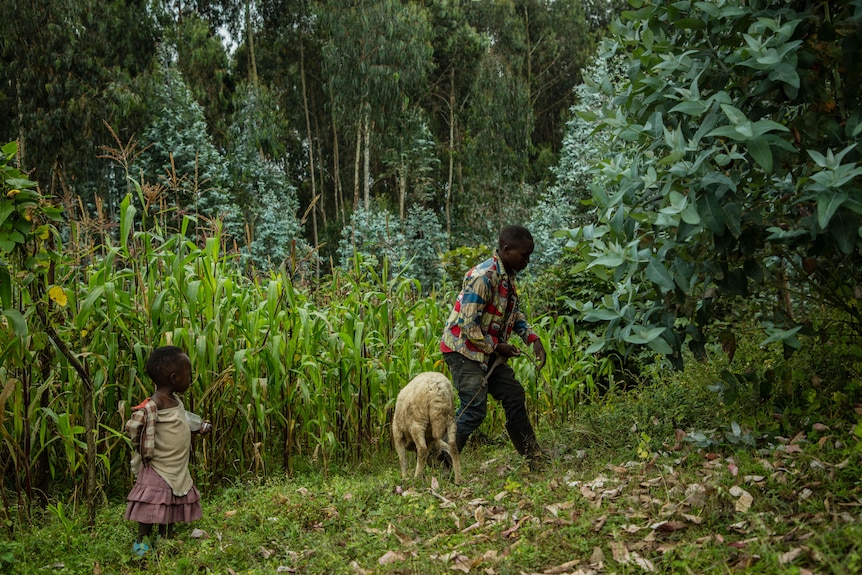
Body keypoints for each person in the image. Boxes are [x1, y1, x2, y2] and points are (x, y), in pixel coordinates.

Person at [441, 225, 547, 466]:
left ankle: (532, 455)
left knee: (513, 393)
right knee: (474, 407)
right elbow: (468, 325)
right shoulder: (483, 277)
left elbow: (514, 314)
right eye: (524, 255)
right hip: (463, 351)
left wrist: (533, 338)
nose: (527, 261)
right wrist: (498, 347)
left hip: (485, 350)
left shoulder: (507, 277)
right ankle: (441, 460)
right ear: (507, 250)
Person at [125, 345, 212, 556]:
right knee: (150, 507)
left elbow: (181, 419)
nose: (190, 380)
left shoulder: (174, 401)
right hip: (158, 467)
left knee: (170, 505)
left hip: (175, 467)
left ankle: (166, 542)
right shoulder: (154, 404)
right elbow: (134, 426)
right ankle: (142, 546)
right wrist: (142, 449)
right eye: (188, 376)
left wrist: (198, 427)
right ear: (174, 378)